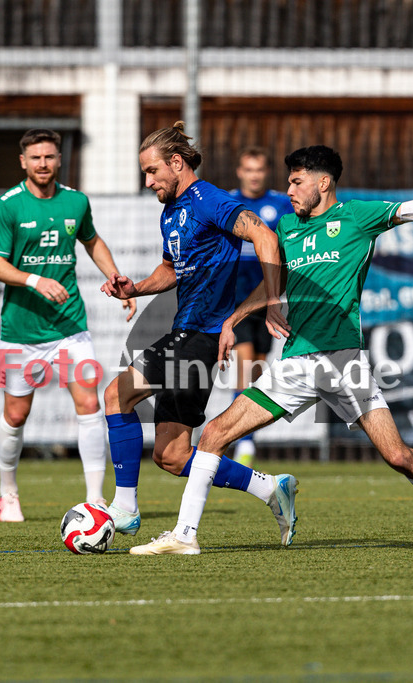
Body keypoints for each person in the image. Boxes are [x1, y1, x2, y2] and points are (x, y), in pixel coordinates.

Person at [130, 145, 413, 555]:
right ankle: (185, 536)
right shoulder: (286, 227)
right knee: (213, 433)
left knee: (399, 456)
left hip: (343, 361)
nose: (289, 190)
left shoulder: (357, 217)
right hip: (296, 362)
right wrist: (235, 318)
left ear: (323, 182)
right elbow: (272, 285)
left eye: (296, 182)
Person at [100, 121, 297, 550]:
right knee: (170, 457)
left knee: (116, 395)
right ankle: (270, 488)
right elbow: (170, 270)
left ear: (176, 163)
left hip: (201, 336)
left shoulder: (210, 201)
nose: (148, 182)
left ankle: (125, 508)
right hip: (186, 332)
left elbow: (263, 234)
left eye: (153, 172)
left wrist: (272, 295)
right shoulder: (170, 211)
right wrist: (135, 287)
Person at [0, 128, 136, 523]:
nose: (43, 164)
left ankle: (94, 500)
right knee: (16, 415)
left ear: (58, 160)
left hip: (70, 328)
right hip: (20, 331)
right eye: (35, 158)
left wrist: (117, 277)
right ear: (23, 162)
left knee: (89, 403)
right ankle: (8, 491)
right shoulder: (9, 206)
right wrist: (35, 280)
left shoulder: (76, 201)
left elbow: (92, 241)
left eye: (49, 157)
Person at [227, 147, 294, 467]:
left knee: (256, 373)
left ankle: (244, 436)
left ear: (265, 173)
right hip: (238, 300)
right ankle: (242, 443)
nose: (253, 175)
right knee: (243, 369)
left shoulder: (281, 204)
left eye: (259, 170)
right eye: (248, 169)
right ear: (240, 172)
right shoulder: (228, 203)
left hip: (269, 299)